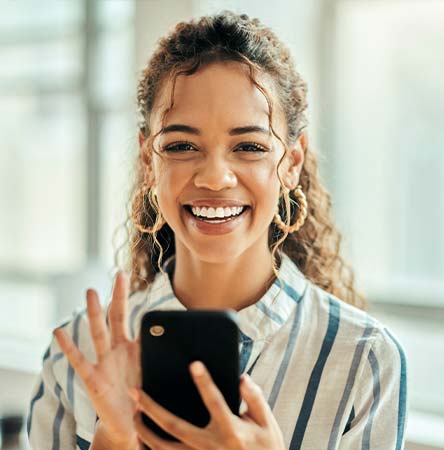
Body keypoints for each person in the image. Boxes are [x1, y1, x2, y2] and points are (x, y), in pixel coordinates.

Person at [27, 10, 408, 450]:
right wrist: (112, 440)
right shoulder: (76, 357)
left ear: (293, 162)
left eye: (249, 146)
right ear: (148, 161)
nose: (215, 177)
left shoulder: (363, 359)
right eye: (181, 145)